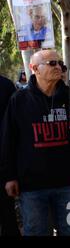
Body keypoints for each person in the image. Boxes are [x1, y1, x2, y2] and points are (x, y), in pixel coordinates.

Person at [0, 50, 70, 236]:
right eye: (51, 63)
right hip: (32, 187)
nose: (58, 67)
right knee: (36, 232)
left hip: (68, 184)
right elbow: (8, 141)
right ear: (34, 69)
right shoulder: (18, 101)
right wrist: (9, 176)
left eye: (60, 64)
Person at [0, 74, 20, 236]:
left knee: (7, 215)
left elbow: (14, 129)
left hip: (3, 161)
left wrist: (11, 173)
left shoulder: (5, 86)